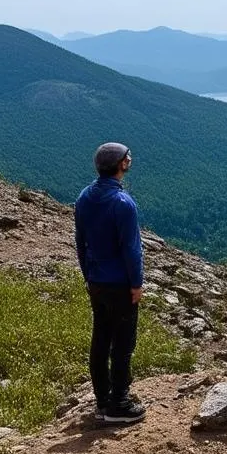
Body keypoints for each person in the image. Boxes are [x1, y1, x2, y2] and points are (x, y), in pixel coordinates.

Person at [74, 141, 147, 424]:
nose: (130, 159)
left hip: (97, 281)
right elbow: (131, 248)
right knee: (123, 343)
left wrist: (88, 275)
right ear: (122, 165)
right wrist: (136, 283)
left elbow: (81, 242)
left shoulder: (85, 197)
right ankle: (119, 404)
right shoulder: (123, 203)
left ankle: (102, 399)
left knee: (101, 339)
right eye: (128, 157)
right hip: (119, 282)